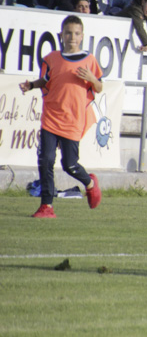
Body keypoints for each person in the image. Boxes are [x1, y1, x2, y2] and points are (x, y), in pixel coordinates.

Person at [20, 15, 103, 218]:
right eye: (68, 33)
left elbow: (99, 87)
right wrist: (31, 85)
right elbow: (46, 80)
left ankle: (90, 183)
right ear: (61, 35)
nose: (71, 37)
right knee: (46, 160)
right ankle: (46, 205)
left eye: (76, 33)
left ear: (82, 36)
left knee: (70, 165)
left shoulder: (89, 60)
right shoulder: (51, 58)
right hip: (51, 117)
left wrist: (92, 79)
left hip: (73, 120)